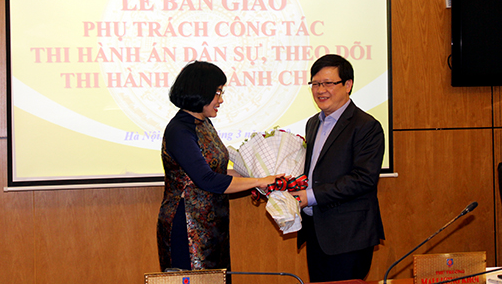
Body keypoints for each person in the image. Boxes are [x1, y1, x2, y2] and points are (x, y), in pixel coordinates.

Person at [157, 60, 283, 272]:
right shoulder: (179, 130)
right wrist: (259, 181)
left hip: (212, 224)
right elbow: (207, 180)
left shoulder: (204, 123)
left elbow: (219, 172)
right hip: (188, 226)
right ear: (200, 91)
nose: (221, 100)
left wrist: (263, 177)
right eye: (217, 92)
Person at [291, 54, 385, 282]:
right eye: (315, 84)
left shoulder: (367, 126)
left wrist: (309, 196)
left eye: (328, 83)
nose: (320, 90)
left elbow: (363, 179)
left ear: (348, 85)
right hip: (317, 232)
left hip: (349, 235)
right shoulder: (313, 123)